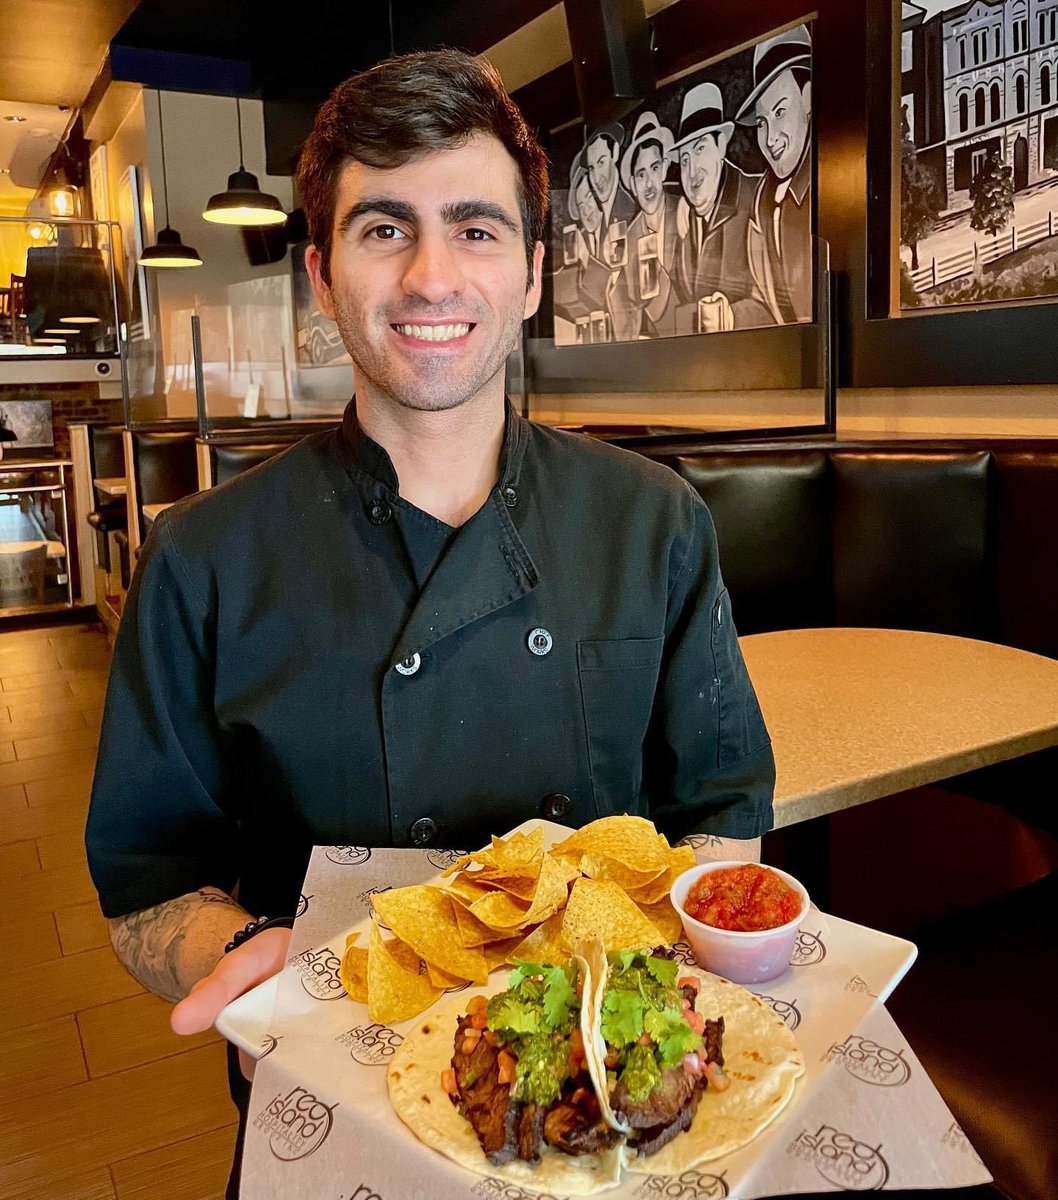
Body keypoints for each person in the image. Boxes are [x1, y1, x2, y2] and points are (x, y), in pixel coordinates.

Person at [85, 49, 774, 1197]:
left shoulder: (652, 521)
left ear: (532, 272)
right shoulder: (201, 558)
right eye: (382, 229)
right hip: (326, 1081)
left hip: (601, 1094)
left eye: (475, 228)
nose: (430, 276)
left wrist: (661, 997)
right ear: (321, 275)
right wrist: (248, 961)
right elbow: (149, 883)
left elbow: (719, 811)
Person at [670, 82, 772, 332]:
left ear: (721, 146)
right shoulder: (685, 221)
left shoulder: (758, 200)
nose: (692, 171)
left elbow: (784, 304)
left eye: (700, 149)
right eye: (685, 160)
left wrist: (731, 317)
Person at [735, 25, 814, 325]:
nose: (769, 139)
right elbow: (768, 307)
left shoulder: (822, 190)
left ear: (808, 98)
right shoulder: (762, 203)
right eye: (761, 123)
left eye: (779, 112)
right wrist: (729, 315)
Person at [610, 111, 680, 340]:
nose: (649, 184)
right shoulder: (628, 239)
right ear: (632, 183)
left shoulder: (686, 214)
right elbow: (626, 312)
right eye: (641, 175)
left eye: (654, 168)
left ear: (665, 168)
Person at [584, 122, 636, 261]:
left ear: (615, 153)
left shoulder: (629, 209)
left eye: (601, 163)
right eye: (591, 168)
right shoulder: (602, 216)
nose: (596, 179)